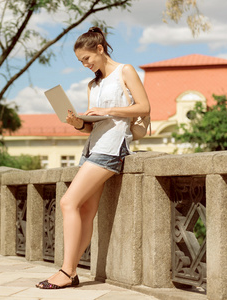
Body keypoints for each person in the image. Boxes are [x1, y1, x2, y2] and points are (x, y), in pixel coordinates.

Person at [36, 27, 150, 289]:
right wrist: (78, 122)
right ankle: (72, 272)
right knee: (85, 211)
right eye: (80, 62)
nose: (85, 65)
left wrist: (107, 110)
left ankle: (66, 271)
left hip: (113, 147)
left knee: (68, 202)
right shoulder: (93, 84)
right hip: (92, 147)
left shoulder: (125, 71)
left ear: (100, 49)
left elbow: (144, 106)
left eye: (87, 59)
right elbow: (91, 127)